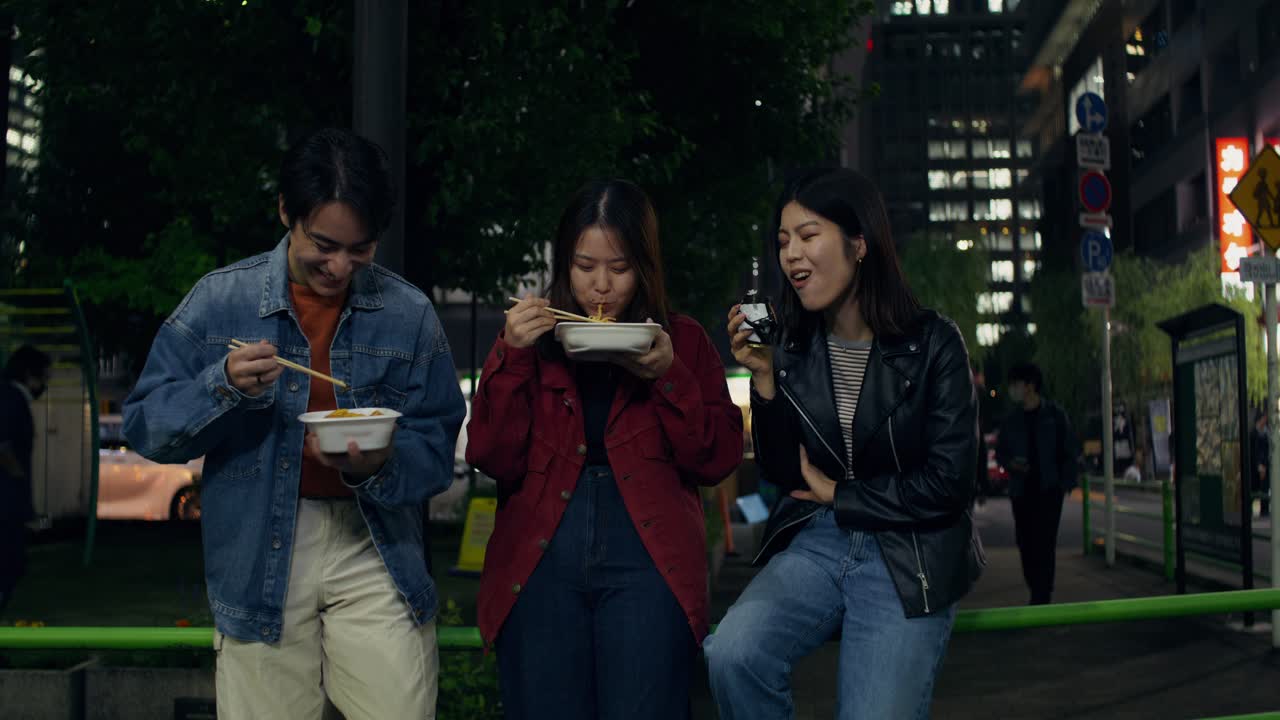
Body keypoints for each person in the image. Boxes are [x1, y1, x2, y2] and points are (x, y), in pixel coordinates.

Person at [123, 128, 465, 719]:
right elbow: (145, 426)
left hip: (374, 541)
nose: (340, 266)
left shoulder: (408, 314)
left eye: (360, 249)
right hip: (260, 546)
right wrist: (222, 383)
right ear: (287, 213)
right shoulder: (219, 301)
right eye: (325, 244)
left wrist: (379, 461)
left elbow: (436, 442)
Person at [706, 167, 984, 719]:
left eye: (809, 236)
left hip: (909, 554)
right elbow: (786, 473)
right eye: (784, 241)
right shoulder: (791, 346)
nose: (792, 255)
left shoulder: (935, 344)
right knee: (731, 654)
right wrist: (764, 379)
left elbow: (950, 484)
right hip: (820, 542)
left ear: (859, 243)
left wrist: (842, 495)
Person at [465, 179, 744, 719]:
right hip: (542, 551)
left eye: (618, 269)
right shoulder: (534, 341)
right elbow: (491, 456)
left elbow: (716, 459)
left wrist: (668, 374)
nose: (600, 287)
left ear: (644, 266)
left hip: (649, 554)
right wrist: (512, 355)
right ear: (562, 264)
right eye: (583, 266)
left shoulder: (681, 341)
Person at [996, 362, 1079, 606]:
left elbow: (1069, 450)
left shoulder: (1054, 415)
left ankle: (1042, 595)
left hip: (1048, 491)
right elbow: (1001, 452)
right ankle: (1037, 588)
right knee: (1026, 542)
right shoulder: (1012, 421)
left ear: (1030, 386)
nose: (1013, 389)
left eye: (1016, 384)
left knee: (1045, 543)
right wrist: (1012, 465)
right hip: (1021, 492)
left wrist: (1065, 483)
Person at [0, 345, 51, 616]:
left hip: (9, 500)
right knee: (11, 563)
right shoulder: (11, 399)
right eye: (44, 376)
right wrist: (18, 478)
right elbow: (3, 444)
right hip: (6, 501)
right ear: (30, 374)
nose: (45, 384)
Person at [1252, 409, 1271, 517]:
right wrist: (1259, 465)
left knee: (1264, 488)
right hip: (1257, 465)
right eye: (1264, 417)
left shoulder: (1267, 432)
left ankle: (1264, 511)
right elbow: (1254, 451)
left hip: (1265, 464)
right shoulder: (1254, 433)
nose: (1266, 419)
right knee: (1255, 488)